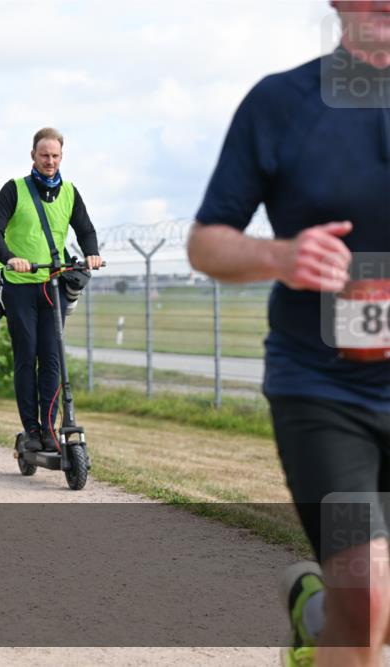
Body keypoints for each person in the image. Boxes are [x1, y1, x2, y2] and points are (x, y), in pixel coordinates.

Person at [188, 4, 390, 665]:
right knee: (368, 600)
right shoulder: (282, 101)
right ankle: (330, 612)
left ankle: (315, 617)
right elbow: (206, 242)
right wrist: (281, 256)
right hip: (326, 390)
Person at [0, 127, 102, 453]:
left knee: (52, 357)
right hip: (21, 286)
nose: (49, 161)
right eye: (44, 155)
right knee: (27, 355)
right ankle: (31, 429)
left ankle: (50, 428)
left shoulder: (69, 192)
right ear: (33, 156)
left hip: (53, 284)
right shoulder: (14, 190)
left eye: (55, 156)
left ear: (61, 156)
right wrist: (10, 258)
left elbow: (85, 230)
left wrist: (92, 252)